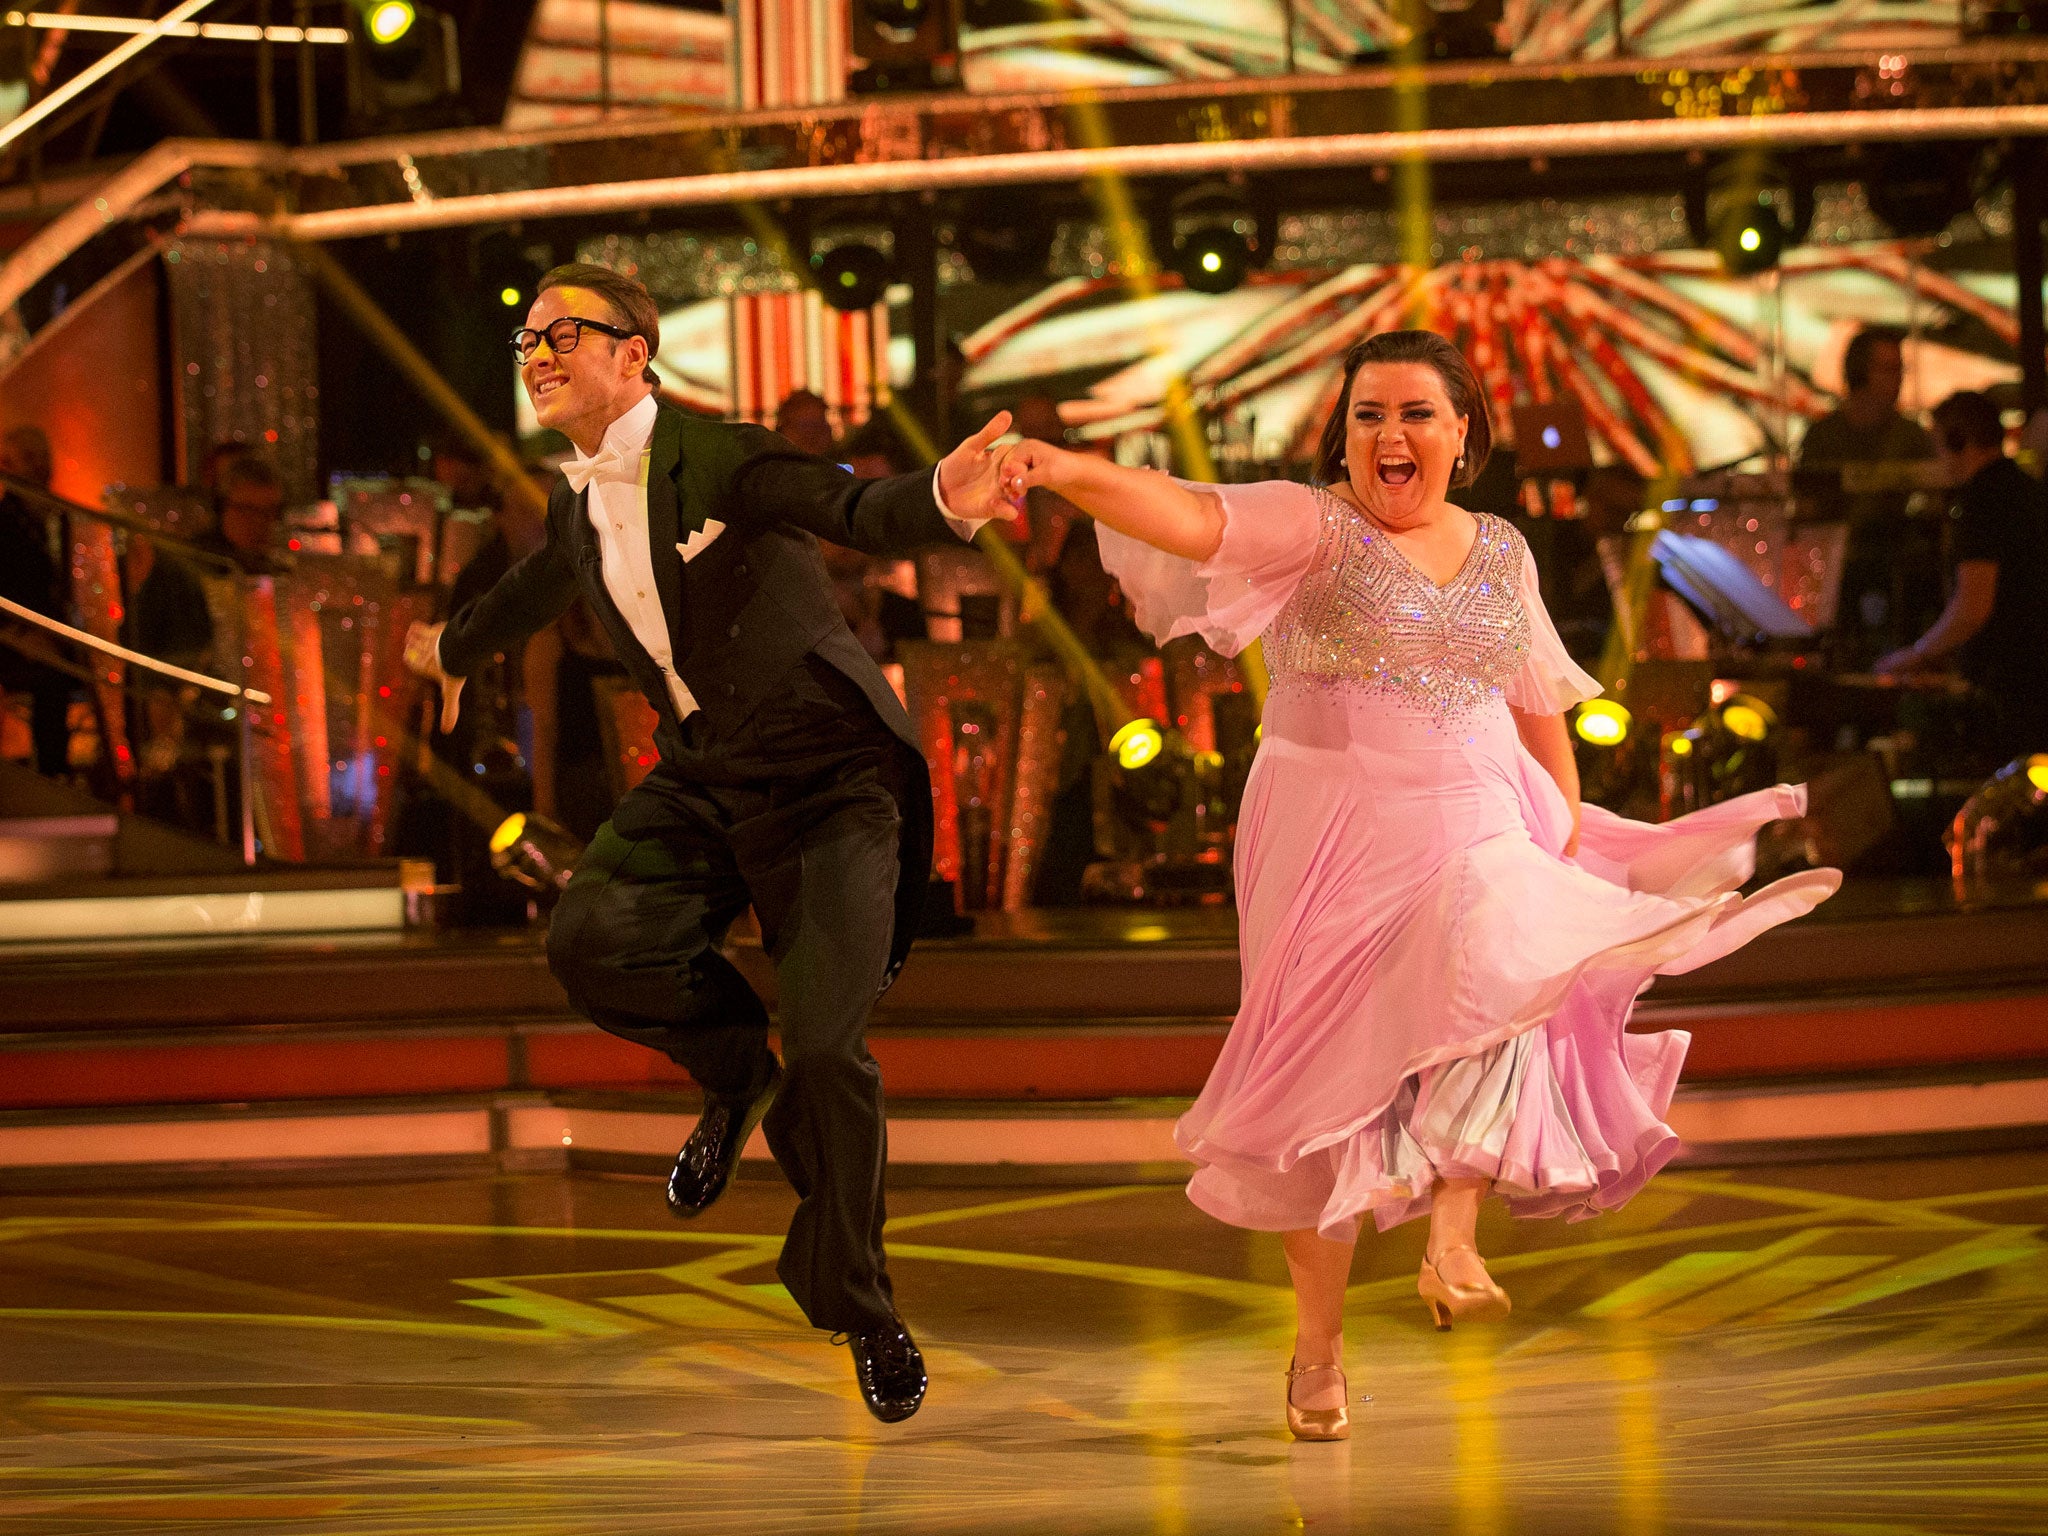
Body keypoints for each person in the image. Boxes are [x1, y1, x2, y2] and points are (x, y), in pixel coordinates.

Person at [998, 330, 1840, 1442]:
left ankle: (1452, 1234)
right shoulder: (1313, 524)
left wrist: (1562, 827)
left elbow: (1537, 699)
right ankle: (1318, 1348)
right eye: (1364, 415)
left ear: (1461, 435)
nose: (1386, 434)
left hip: (1478, 807)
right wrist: (1057, 467)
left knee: (1502, 970)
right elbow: (1188, 515)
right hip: (1327, 825)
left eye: (1411, 414)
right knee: (1324, 1094)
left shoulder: (1502, 548)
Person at [402, 263, 1019, 1423]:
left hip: (828, 781)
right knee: (592, 938)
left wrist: (942, 497)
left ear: (632, 355)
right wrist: (451, 647)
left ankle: (863, 1306)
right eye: (524, 339)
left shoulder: (720, 454)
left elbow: (846, 506)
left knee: (832, 1053)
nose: (535, 355)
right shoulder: (578, 499)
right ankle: (739, 1079)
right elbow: (542, 582)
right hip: (704, 773)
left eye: (560, 336)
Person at [1874, 389, 2048, 760]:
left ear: (1956, 440)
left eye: (1938, 444)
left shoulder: (1980, 502)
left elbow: (1973, 606)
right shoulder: (2028, 491)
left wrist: (1918, 654)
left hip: (2007, 687)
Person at [1796, 326, 1939, 659]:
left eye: (1900, 369)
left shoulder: (1911, 437)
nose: (1899, 378)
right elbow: (1806, 512)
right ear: (1858, 373)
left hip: (1895, 562)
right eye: (1888, 369)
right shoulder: (1823, 438)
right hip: (1832, 568)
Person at [0, 425, 73, 776]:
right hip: (14, 637)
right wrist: (19, 633)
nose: (35, 467)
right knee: (52, 677)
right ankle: (53, 772)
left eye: (38, 458)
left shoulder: (62, 518)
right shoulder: (4, 522)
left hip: (58, 631)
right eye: (23, 460)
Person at [773, 388, 837, 460]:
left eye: (818, 425)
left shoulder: (836, 466)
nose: (811, 435)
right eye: (804, 426)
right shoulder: (771, 468)